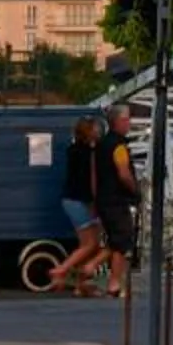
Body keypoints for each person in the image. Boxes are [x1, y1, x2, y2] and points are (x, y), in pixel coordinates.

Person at [47, 116, 113, 295]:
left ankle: (82, 283)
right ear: (89, 132)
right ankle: (61, 270)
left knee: (89, 243)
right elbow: (90, 181)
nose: (98, 131)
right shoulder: (89, 154)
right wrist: (94, 203)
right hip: (80, 201)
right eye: (95, 129)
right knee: (91, 244)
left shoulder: (73, 150)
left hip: (71, 199)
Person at [95, 103, 143, 282]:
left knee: (115, 241)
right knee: (122, 241)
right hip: (116, 201)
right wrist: (135, 190)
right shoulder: (119, 147)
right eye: (127, 119)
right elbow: (124, 174)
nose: (129, 123)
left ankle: (91, 267)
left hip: (103, 199)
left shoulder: (102, 144)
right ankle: (114, 281)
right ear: (120, 121)